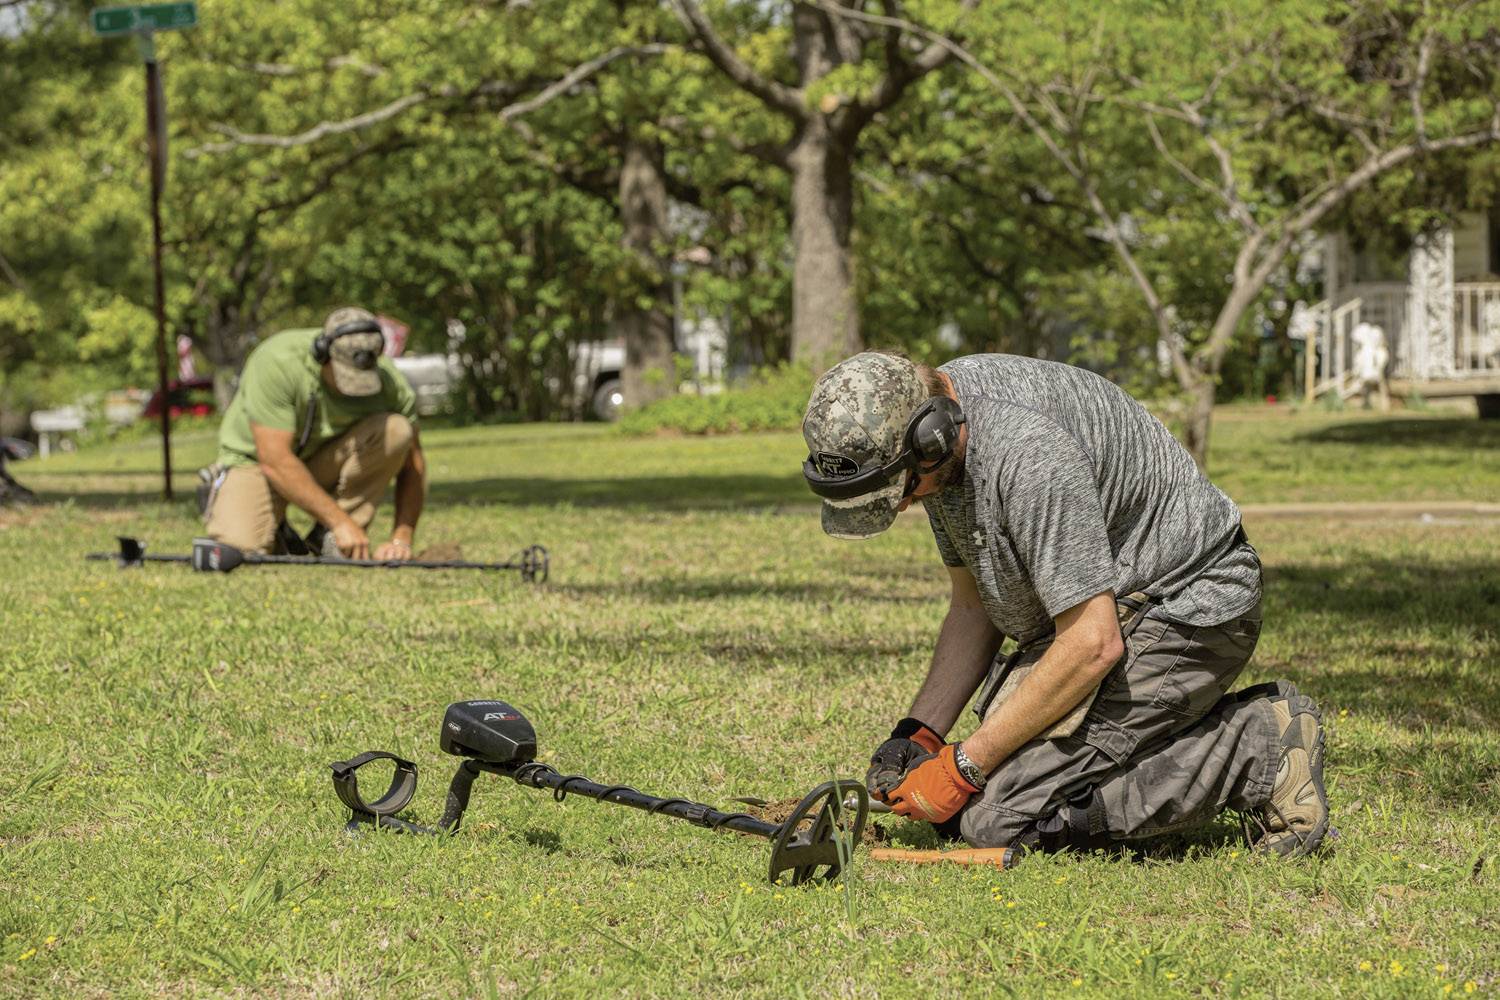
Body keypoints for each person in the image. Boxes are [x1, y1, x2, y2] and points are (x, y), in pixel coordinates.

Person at [800, 351, 1329, 858]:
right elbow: (972, 607)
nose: (908, 502)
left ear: (931, 436)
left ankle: (1256, 744)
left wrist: (963, 766)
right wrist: (917, 735)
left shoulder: (1028, 455)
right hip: (1105, 616)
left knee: (994, 818)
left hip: (1189, 611)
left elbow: (1093, 644)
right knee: (968, 801)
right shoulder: (943, 439)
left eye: (904, 490)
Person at [203, 307, 426, 560]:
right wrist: (339, 521)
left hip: (322, 460)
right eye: (345, 376)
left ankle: (329, 540)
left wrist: (402, 539)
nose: (354, 386)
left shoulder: (390, 384)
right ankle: (271, 521)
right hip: (257, 462)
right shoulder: (278, 362)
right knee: (241, 548)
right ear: (323, 354)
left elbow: (413, 465)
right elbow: (274, 460)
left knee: (397, 430)